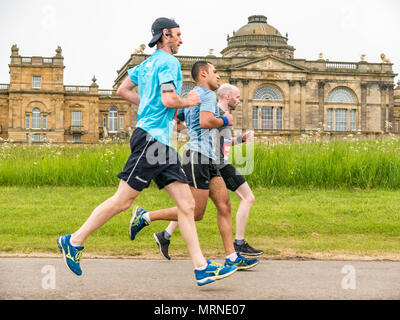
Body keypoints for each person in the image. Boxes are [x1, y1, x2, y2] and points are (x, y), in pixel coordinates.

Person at [57, 17, 237, 286]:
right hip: (152, 140)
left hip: (161, 143)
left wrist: (149, 104)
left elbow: (123, 89)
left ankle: (201, 268)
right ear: (165, 35)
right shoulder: (168, 62)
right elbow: (168, 99)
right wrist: (188, 99)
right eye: (177, 35)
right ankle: (73, 241)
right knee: (123, 200)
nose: (181, 40)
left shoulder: (145, 64)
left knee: (187, 205)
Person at [129, 61, 259, 270]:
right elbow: (207, 121)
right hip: (197, 157)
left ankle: (232, 256)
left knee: (224, 205)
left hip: (209, 158)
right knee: (195, 213)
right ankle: (144, 217)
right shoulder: (206, 95)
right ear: (203, 73)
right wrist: (225, 121)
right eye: (215, 72)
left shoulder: (192, 97)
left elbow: (177, 121)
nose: (218, 76)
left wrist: (194, 129)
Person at [154, 83, 263, 260]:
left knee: (193, 205)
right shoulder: (216, 114)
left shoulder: (221, 115)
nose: (239, 101)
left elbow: (223, 143)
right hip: (213, 162)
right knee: (246, 198)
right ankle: (239, 244)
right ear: (227, 97)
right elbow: (188, 127)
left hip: (213, 161)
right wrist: (191, 133)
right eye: (237, 97)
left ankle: (164, 235)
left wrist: (241, 140)